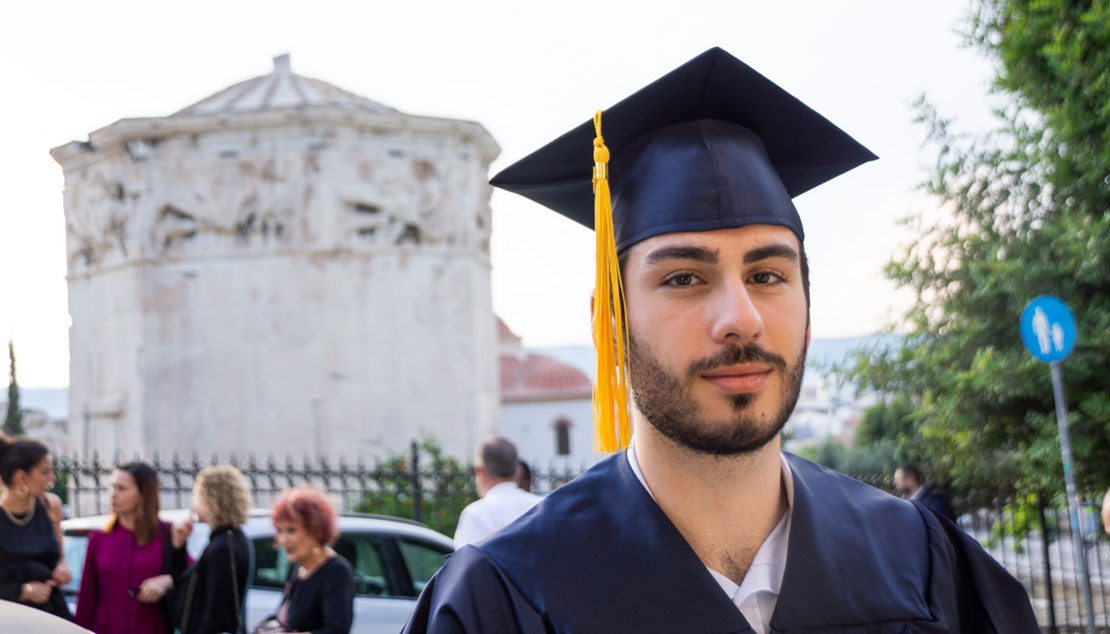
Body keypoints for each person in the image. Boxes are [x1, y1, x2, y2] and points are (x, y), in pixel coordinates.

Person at [402, 48, 1038, 633]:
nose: (742, 318)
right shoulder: (504, 597)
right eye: (684, 277)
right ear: (612, 320)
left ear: (808, 304)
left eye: (767, 275)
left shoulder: (923, 563)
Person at [75, 461, 175, 633]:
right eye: (112, 487)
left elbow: (190, 574)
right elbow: (86, 598)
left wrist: (167, 581)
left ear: (143, 495)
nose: (112, 494)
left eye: (121, 489)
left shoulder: (167, 534)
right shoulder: (99, 539)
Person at [253, 487, 354, 634]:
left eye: (291, 530)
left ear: (315, 530)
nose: (283, 540)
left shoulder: (337, 571)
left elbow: (337, 630)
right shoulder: (298, 566)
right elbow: (285, 618)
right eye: (280, 531)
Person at [171, 464, 252, 634]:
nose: (194, 504)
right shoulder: (225, 540)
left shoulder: (224, 547)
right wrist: (179, 546)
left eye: (198, 496)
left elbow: (217, 614)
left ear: (211, 499)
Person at [0, 434, 72, 620]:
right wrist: (26, 591)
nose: (53, 478)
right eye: (45, 472)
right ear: (21, 477)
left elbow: (59, 558)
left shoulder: (51, 506)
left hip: (52, 613)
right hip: (10, 620)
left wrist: (62, 569)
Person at [453, 437, 541, 547]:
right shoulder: (542, 506)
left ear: (479, 471)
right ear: (518, 471)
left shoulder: (476, 514)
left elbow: (466, 561)